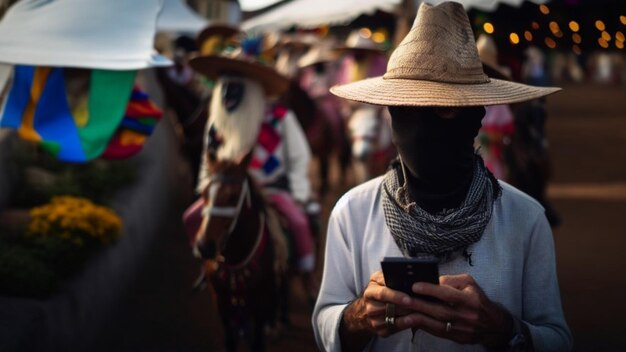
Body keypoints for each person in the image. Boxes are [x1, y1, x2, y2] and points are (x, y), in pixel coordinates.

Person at [312, 2, 572, 351]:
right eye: (406, 111)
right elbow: (325, 323)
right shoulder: (353, 213)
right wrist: (359, 315)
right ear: (390, 116)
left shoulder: (525, 219)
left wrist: (501, 328)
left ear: (475, 118)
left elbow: (557, 339)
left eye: (443, 111)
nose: (423, 130)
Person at [188, 35, 318, 292]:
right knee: (190, 218)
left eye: (237, 85)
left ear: (253, 87)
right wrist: (206, 188)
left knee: (300, 223)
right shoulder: (216, 124)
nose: (228, 92)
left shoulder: (279, 117)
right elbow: (207, 159)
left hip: (272, 190)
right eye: (225, 84)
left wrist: (299, 192)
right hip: (225, 194)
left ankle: (307, 278)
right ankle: (208, 266)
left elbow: (300, 156)